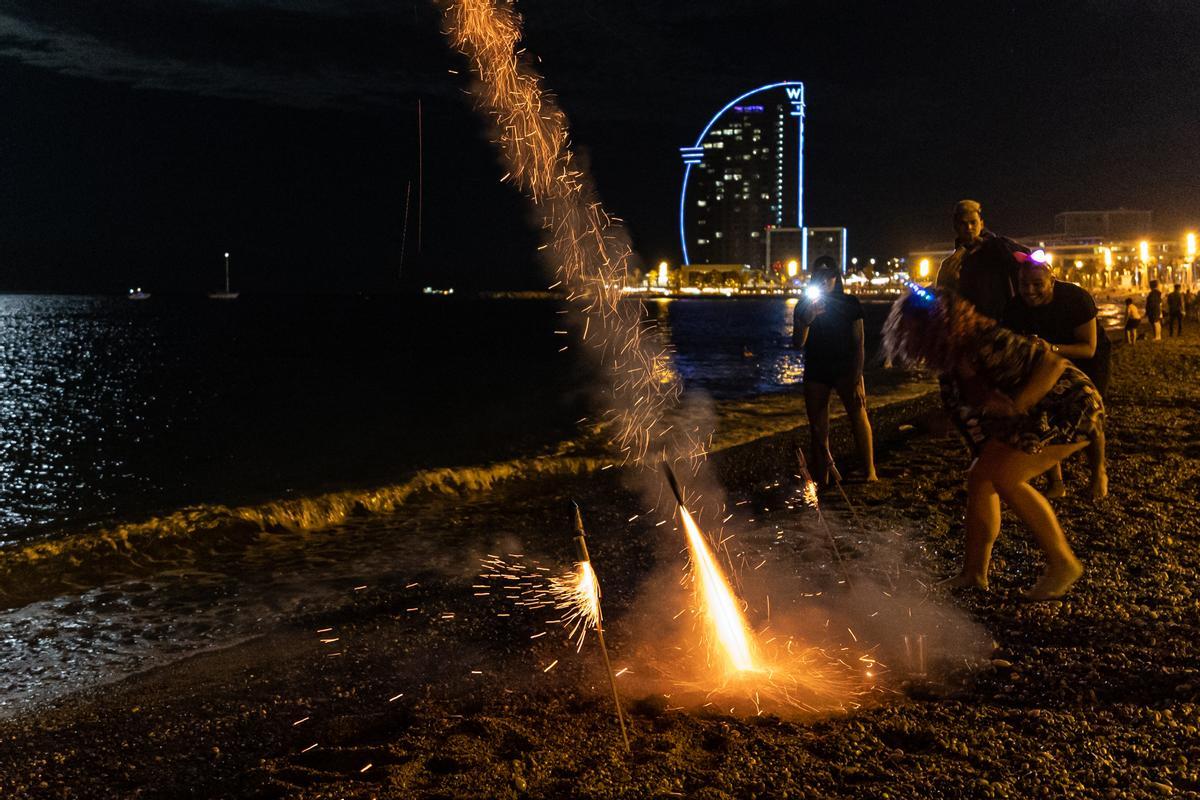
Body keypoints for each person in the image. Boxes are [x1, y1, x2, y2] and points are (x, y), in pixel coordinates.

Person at [884, 286, 1104, 600]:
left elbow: (1052, 364)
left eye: (912, 329)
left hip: (1071, 406)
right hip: (1036, 414)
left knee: (1006, 477)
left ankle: (1064, 563)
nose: (906, 337)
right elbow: (971, 411)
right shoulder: (953, 362)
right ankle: (974, 574)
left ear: (936, 326)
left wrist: (1017, 404)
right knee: (981, 476)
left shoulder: (985, 341)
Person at [1001, 254, 1110, 499]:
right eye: (1024, 284)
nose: (1029, 291)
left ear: (1052, 281)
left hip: (1087, 357)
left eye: (1037, 284)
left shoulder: (1076, 299)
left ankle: (1098, 472)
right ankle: (1056, 482)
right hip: (1044, 361)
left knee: (1091, 411)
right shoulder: (1015, 307)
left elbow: (1088, 347)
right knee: (1040, 413)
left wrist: (1051, 347)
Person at [793, 264, 878, 486]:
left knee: (859, 415)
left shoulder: (850, 303)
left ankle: (870, 472)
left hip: (845, 369)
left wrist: (858, 377)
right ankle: (822, 479)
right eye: (818, 277)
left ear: (836, 278)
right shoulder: (803, 305)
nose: (823, 281)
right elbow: (797, 342)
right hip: (816, 369)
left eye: (828, 276)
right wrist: (807, 319)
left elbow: (859, 343)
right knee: (818, 427)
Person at [935, 199, 1029, 321]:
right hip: (969, 328)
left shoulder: (999, 248)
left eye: (973, 222)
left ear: (982, 224)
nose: (969, 227)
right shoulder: (950, 264)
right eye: (963, 224)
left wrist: (992, 244)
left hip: (1002, 325)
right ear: (956, 227)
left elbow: (1027, 258)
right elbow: (942, 301)